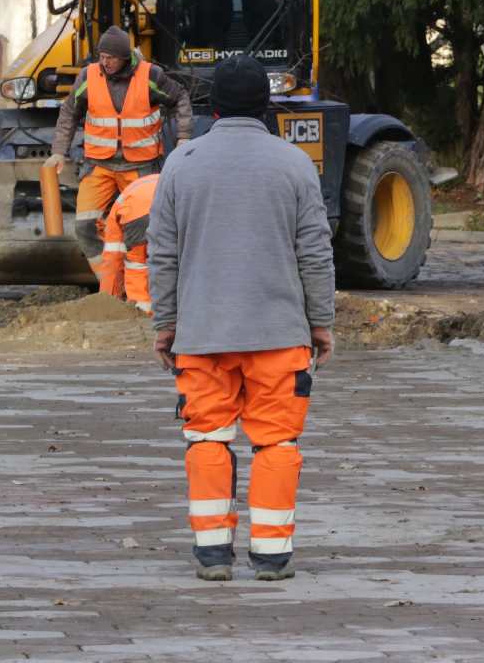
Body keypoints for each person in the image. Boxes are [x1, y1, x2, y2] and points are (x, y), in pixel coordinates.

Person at [147, 54, 334, 582]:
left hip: (201, 333)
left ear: (214, 107)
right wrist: (320, 322)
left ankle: (212, 553)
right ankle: (272, 557)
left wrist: (166, 324)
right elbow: (316, 253)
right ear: (266, 105)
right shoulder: (294, 164)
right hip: (279, 335)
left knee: (208, 440)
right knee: (276, 443)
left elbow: (162, 253)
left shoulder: (181, 164)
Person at [48, 27, 192, 288]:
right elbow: (69, 112)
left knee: (144, 233)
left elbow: (180, 97)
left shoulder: (151, 76)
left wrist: (183, 137)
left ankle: (148, 291)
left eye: (110, 57)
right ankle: (111, 289)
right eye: (101, 56)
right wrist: (59, 151)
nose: (104, 62)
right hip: (99, 167)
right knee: (84, 227)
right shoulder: (88, 77)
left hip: (140, 169)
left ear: (125, 57)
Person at [99, 171, 159, 314]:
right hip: (170, 203)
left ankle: (142, 310)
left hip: (137, 211)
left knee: (137, 262)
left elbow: (112, 262)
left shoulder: (116, 217)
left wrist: (107, 301)